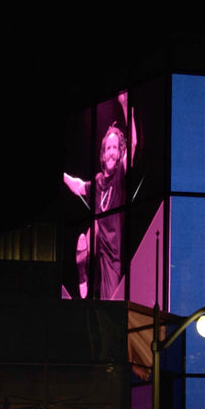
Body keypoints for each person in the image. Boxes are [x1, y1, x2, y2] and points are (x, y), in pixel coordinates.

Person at [63, 91, 136, 299]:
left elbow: (133, 144)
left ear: (120, 152)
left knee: (109, 299)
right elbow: (78, 186)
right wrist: (63, 176)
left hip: (112, 253)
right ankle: (82, 271)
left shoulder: (120, 175)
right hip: (98, 237)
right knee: (89, 234)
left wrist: (125, 105)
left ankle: (85, 268)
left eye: (115, 148)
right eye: (108, 148)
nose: (111, 152)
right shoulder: (98, 181)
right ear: (102, 156)